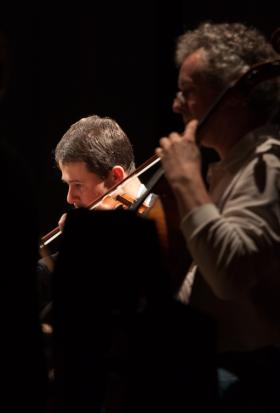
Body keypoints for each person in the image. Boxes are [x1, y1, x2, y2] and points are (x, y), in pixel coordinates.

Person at [155, 22, 280, 410]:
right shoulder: (233, 169)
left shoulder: (270, 166)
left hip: (249, 381)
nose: (177, 105)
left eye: (188, 92)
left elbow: (230, 274)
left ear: (234, 97)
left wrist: (187, 180)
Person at [38, 114, 154, 318]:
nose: (69, 197)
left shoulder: (164, 219)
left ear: (115, 177)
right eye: (68, 185)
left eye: (78, 185)